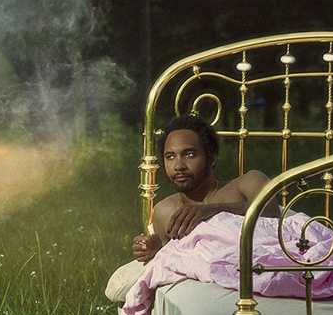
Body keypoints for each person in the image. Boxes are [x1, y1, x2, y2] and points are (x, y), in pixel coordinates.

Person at [104, 114, 279, 304]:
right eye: (170, 157)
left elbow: (272, 214)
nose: (178, 166)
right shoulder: (165, 211)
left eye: (189, 154)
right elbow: (170, 263)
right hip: (208, 295)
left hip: (259, 275)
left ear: (211, 158)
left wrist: (212, 210)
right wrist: (157, 250)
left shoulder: (248, 183)